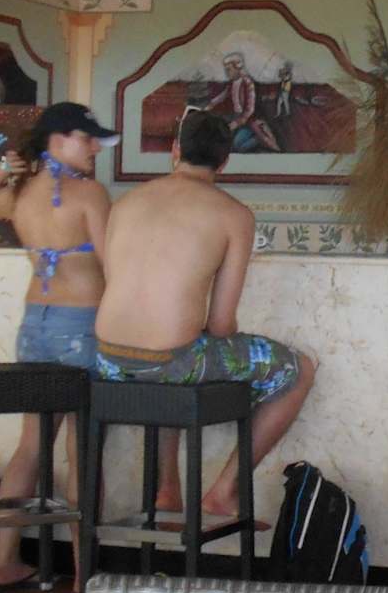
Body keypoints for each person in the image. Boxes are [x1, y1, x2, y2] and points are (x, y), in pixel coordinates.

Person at [94, 109, 316, 519]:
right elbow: (221, 324)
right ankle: (223, 492)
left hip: (107, 359)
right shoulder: (233, 215)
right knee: (298, 370)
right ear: (225, 161)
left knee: (176, 357)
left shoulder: (124, 203)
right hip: (171, 362)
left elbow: (115, 283)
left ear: (175, 150)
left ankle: (167, 490)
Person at [0, 100, 116, 588]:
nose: (95, 148)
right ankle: (84, 573)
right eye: (87, 138)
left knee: (31, 445)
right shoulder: (90, 194)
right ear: (59, 139)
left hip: (35, 324)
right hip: (83, 325)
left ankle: (5, 561)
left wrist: (5, 166)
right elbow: (113, 264)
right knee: (82, 449)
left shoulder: (23, 192)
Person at [205, 50, 281, 153]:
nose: (227, 72)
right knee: (223, 137)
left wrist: (236, 123)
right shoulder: (232, 83)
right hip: (236, 116)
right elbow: (223, 95)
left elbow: (250, 110)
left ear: (238, 68)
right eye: (226, 70)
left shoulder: (248, 83)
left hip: (249, 120)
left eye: (229, 69)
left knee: (237, 145)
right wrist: (211, 104)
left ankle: (258, 139)